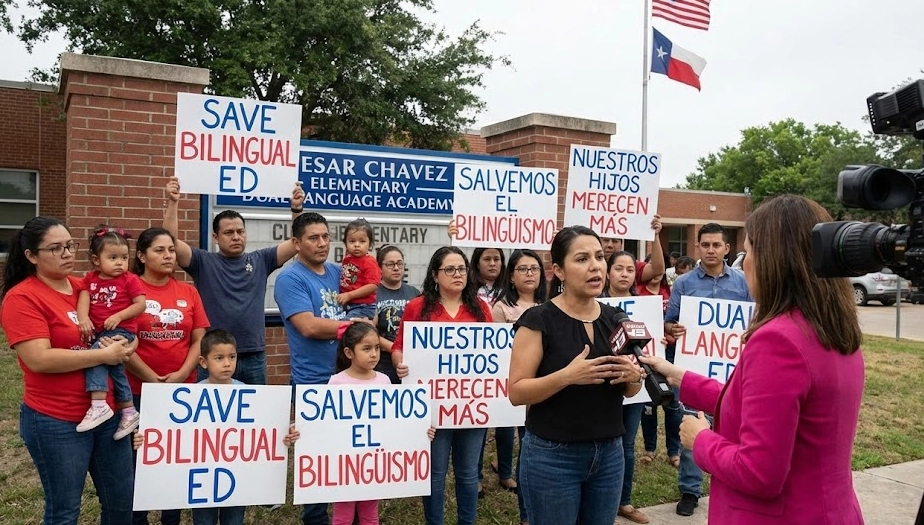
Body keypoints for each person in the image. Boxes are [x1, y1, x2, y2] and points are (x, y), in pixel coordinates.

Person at [641, 195, 865, 525]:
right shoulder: (833, 327)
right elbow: (760, 407)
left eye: (750, 252)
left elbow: (760, 472)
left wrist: (701, 440)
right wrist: (678, 376)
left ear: (775, 259)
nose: (745, 264)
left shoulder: (779, 340)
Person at [0, 216, 136, 524]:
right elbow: (40, 359)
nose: (66, 253)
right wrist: (103, 354)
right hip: (56, 419)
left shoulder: (85, 286)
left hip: (108, 414)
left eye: (70, 245)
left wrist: (127, 345)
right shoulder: (22, 297)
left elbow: (125, 324)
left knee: (121, 503)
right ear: (31, 256)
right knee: (65, 511)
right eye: (56, 248)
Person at [509, 226, 645, 525]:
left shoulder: (615, 318)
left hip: (610, 453)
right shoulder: (537, 320)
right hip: (552, 456)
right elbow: (517, 393)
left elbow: (631, 391)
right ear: (559, 270)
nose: (595, 265)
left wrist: (632, 376)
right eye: (582, 259)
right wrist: (568, 376)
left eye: (599, 256)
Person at [164, 176, 306, 385]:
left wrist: (296, 210)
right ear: (215, 237)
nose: (236, 237)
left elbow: (296, 244)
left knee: (257, 416)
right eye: (229, 233)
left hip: (253, 357)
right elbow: (170, 242)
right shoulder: (202, 262)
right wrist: (173, 203)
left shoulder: (261, 259)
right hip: (213, 356)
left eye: (240, 231)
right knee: (210, 417)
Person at [391, 246, 494, 525]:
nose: (457, 274)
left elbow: (491, 356)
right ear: (435, 275)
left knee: (469, 473)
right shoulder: (418, 307)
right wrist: (400, 363)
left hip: (470, 407)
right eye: (450, 269)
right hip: (432, 409)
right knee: (435, 473)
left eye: (461, 268)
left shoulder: (481, 307)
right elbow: (399, 347)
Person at [663, 222, 752, 517]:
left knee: (733, 434)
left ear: (727, 248)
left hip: (733, 374)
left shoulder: (744, 283)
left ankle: (730, 485)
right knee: (692, 432)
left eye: (717, 245)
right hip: (695, 373)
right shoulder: (684, 284)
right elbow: (669, 323)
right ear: (697, 247)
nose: (711, 250)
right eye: (705, 245)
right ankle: (690, 490)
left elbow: (755, 320)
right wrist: (672, 328)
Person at [127, 227, 210, 525]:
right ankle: (138, 519)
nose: (168, 256)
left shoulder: (188, 291)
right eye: (159, 250)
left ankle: (170, 519)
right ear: (141, 256)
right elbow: (121, 341)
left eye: (171, 250)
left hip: (181, 392)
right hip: (136, 392)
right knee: (139, 463)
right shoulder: (130, 289)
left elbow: (199, 338)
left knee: (173, 462)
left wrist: (184, 373)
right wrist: (150, 378)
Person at [273, 211, 348, 525]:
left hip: (349, 378)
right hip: (313, 381)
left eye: (326, 237)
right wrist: (353, 328)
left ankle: (349, 512)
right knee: (316, 456)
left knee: (348, 451)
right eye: (313, 238)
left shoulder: (338, 273)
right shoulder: (290, 278)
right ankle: (315, 518)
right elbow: (308, 326)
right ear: (296, 243)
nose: (322, 243)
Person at [491, 249, 548, 525]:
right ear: (511, 276)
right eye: (523, 269)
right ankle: (527, 515)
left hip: (546, 390)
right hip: (516, 390)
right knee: (526, 452)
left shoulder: (553, 304)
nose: (529, 274)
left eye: (534, 268)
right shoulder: (500, 308)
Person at [75, 224, 145, 438]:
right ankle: (129, 410)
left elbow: (140, 304)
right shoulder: (90, 279)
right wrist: (84, 318)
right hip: (99, 331)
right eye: (113, 258)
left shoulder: (129, 279)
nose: (120, 263)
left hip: (121, 330)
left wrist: (119, 316)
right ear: (97, 260)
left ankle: (98, 404)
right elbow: (83, 297)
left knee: (95, 358)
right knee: (115, 370)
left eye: (124, 258)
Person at [600, 251, 649, 524]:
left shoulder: (646, 306)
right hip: (603, 385)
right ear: (608, 272)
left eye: (630, 269)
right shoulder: (594, 303)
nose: (624, 274)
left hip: (633, 379)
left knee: (627, 444)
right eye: (618, 268)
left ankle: (624, 501)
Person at [638, 270, 681, 471]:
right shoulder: (638, 294)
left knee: (672, 406)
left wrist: (666, 338)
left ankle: (674, 451)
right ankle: (649, 448)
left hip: (667, 354)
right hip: (646, 358)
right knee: (648, 407)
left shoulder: (669, 291)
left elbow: (671, 324)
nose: (655, 275)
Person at [374, 245, 419, 384]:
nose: (396, 268)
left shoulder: (415, 293)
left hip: (411, 361)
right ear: (380, 267)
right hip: (383, 364)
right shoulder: (372, 293)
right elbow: (368, 332)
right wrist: (396, 348)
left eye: (400, 263)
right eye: (390, 264)